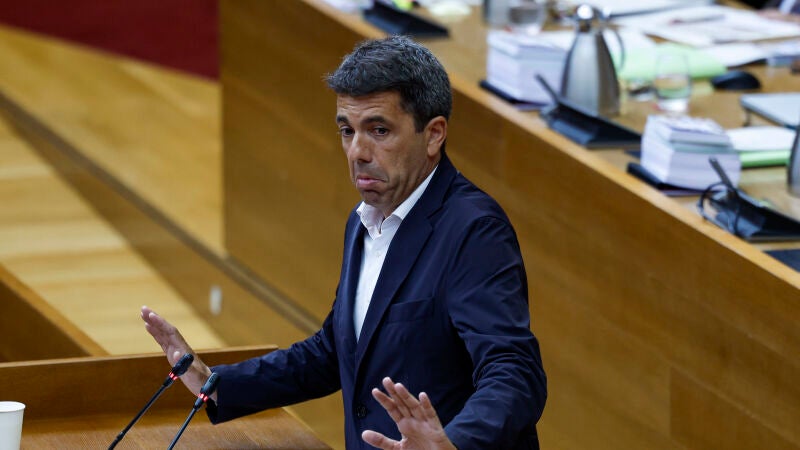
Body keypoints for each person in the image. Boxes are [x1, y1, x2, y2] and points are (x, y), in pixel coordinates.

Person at [141, 35, 547, 450]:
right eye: (346, 130)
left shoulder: (474, 230)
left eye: (379, 130)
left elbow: (514, 372)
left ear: (433, 134)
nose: (357, 151)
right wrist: (215, 384)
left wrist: (455, 444)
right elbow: (335, 351)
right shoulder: (365, 219)